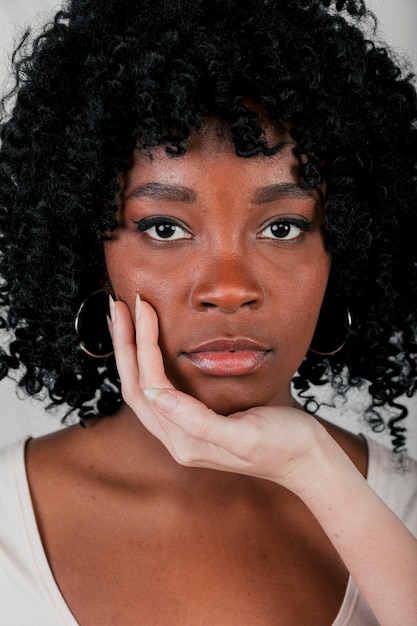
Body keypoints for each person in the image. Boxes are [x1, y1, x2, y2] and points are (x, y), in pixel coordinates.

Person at [0, 0, 416, 623]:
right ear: (89, 252)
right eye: (165, 227)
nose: (228, 288)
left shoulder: (402, 511)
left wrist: (315, 470)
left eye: (282, 227)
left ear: (346, 249)